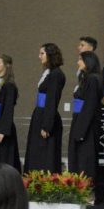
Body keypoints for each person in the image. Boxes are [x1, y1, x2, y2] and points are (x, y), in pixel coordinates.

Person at [24, 43, 66, 173]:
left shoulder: (56, 74)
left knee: (45, 153)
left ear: (50, 54)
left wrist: (47, 125)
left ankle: (43, 181)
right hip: (40, 114)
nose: (39, 56)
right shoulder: (49, 73)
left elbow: (52, 100)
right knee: (36, 151)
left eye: (42, 53)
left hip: (46, 117)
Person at [68, 50, 101, 180]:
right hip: (79, 121)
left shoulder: (93, 79)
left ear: (88, 62)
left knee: (84, 159)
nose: (78, 62)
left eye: (80, 60)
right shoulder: (86, 78)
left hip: (86, 127)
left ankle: (84, 187)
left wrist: (81, 131)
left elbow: (90, 106)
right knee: (77, 157)